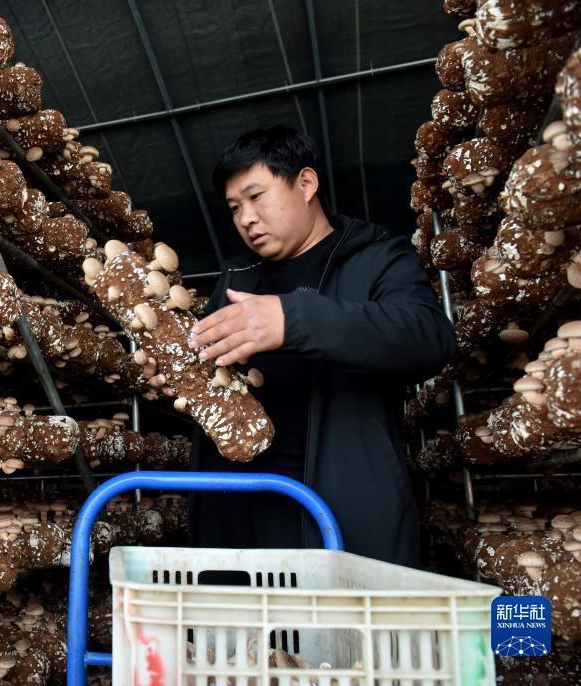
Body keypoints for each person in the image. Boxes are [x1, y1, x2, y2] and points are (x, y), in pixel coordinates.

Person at [174, 125, 454, 567]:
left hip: (334, 520)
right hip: (235, 522)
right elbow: (208, 372)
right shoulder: (236, 277)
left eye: (256, 196)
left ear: (306, 183)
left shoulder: (377, 257)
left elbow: (429, 338)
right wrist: (176, 376)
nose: (246, 218)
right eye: (234, 207)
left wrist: (294, 319)